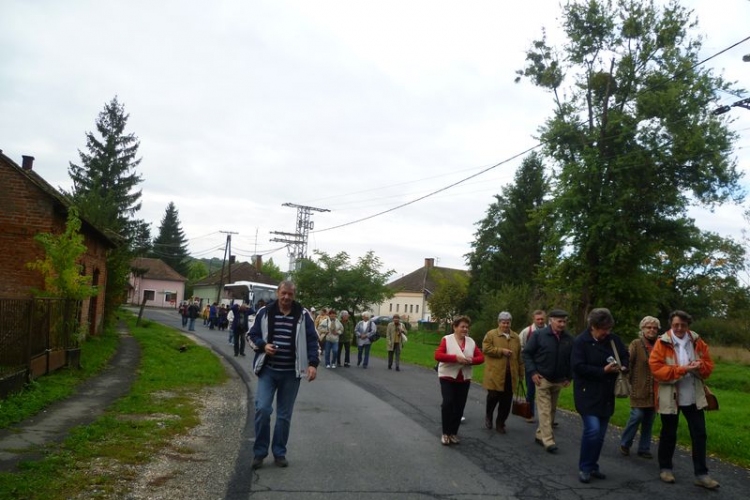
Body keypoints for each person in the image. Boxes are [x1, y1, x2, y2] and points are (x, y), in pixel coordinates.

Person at [248, 280, 319, 470]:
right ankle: (259, 453)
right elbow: (251, 335)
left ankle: (279, 453)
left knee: (284, 416)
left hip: (291, 373)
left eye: (290, 294)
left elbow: (313, 340)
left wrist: (313, 364)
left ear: (294, 296)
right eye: (284, 293)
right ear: (278, 293)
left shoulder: (303, 316)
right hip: (268, 371)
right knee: (262, 410)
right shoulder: (265, 313)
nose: (287, 297)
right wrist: (264, 345)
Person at [649, 310, 718, 489]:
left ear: (688, 326)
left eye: (683, 325)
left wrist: (700, 366)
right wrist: (683, 369)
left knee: (700, 434)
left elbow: (709, 367)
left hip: (693, 395)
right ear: (670, 325)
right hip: (670, 396)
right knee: (669, 433)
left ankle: (701, 474)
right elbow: (657, 370)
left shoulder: (697, 342)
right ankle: (665, 468)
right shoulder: (662, 342)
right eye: (675, 325)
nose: (679, 328)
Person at [571, 308, 629, 483]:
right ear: (593, 327)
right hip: (587, 394)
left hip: (606, 394)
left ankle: (593, 465)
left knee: (601, 434)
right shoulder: (581, 342)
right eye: (603, 329)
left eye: (609, 328)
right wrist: (602, 370)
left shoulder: (613, 340)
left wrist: (624, 366)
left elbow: (625, 355)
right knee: (593, 430)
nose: (607, 332)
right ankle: (585, 468)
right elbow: (578, 367)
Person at [522, 308, 574, 453]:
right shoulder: (539, 335)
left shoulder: (569, 339)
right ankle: (548, 440)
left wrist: (569, 377)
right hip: (542, 379)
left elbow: (572, 360)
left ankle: (540, 434)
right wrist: (532, 372)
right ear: (551, 321)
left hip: (559, 380)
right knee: (544, 410)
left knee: (551, 410)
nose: (562, 324)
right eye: (559, 321)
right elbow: (527, 354)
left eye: (564, 321)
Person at [435, 315, 484, 445]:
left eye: (467, 327)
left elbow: (481, 358)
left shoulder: (471, 342)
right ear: (455, 327)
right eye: (462, 326)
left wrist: (471, 360)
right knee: (448, 402)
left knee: (459, 406)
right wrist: (455, 358)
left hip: (464, 378)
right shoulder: (447, 339)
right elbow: (438, 355)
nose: (465, 329)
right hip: (447, 376)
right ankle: (445, 433)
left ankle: (453, 433)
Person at [619, 316, 660, 458]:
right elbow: (629, 363)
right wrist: (627, 380)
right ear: (642, 329)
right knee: (637, 415)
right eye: (649, 327)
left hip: (656, 389)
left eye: (654, 328)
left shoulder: (661, 344)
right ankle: (625, 442)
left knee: (649, 419)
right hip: (639, 387)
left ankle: (644, 448)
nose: (652, 330)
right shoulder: (636, 344)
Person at [481, 311, 524, 434]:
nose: (505, 325)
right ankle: (489, 416)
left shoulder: (515, 337)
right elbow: (486, 349)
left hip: (511, 374)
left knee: (506, 402)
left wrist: (521, 374)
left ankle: (500, 423)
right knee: (493, 397)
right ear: (498, 323)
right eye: (503, 322)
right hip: (495, 373)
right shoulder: (491, 334)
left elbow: (519, 358)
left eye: (508, 322)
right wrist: (501, 351)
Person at [518, 310, 547, 423]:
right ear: (533, 319)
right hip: (531, 366)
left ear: (545, 319)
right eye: (538, 319)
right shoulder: (527, 331)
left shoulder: (550, 330)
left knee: (546, 391)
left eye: (542, 319)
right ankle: (529, 414)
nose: (540, 321)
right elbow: (520, 346)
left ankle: (548, 417)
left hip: (546, 366)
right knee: (531, 390)